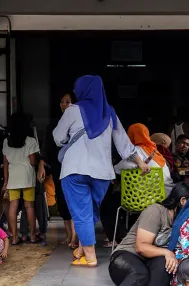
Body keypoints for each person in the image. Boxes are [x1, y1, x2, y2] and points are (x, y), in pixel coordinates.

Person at [53, 75, 149, 267]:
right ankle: (81, 248)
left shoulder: (73, 111)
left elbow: (57, 138)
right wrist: (141, 163)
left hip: (75, 170)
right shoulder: (110, 112)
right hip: (102, 175)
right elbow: (124, 144)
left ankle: (89, 257)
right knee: (88, 212)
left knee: (82, 213)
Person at [91, 183, 189, 286]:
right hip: (125, 258)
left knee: (163, 265)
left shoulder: (182, 221)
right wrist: (167, 252)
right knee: (141, 275)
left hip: (150, 263)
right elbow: (141, 247)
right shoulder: (155, 211)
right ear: (183, 201)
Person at [38, 91, 78, 248]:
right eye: (62, 101)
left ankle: (75, 235)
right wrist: (42, 164)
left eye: (68, 102)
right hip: (58, 167)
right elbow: (46, 147)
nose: (65, 104)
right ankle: (69, 234)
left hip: (75, 167)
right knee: (61, 199)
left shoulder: (79, 123)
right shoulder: (54, 124)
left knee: (74, 200)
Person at [2, 113, 40, 245]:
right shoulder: (31, 141)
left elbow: (5, 163)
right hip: (27, 176)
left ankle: (14, 238)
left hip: (13, 177)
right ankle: (33, 236)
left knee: (13, 206)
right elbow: (33, 161)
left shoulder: (6, 141)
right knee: (29, 206)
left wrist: (6, 181)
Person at [114, 123, 174, 195]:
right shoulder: (153, 149)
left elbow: (124, 165)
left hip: (153, 194)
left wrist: (114, 169)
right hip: (167, 191)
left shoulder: (137, 150)